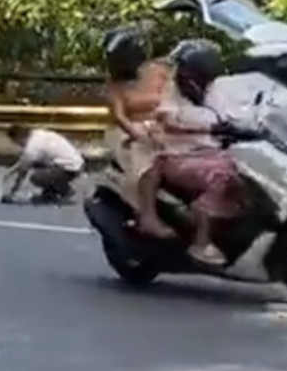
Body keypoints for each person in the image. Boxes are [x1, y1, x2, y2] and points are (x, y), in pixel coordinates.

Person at [153, 41, 247, 266]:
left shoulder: (215, 91)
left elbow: (235, 115)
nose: (186, 76)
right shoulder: (171, 92)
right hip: (178, 156)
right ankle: (201, 241)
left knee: (248, 174)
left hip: (214, 151)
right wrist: (209, 129)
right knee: (221, 175)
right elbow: (169, 124)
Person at [101, 26, 174, 238]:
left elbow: (173, 97)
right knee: (149, 166)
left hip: (169, 125)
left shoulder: (161, 70)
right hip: (132, 132)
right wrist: (137, 133)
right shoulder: (116, 85)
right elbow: (120, 116)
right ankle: (148, 217)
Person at [0, 125, 85, 204]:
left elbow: (22, 173)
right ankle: (50, 193)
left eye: (16, 142)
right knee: (37, 164)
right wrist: (10, 172)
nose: (18, 145)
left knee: (36, 177)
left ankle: (65, 190)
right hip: (75, 162)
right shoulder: (36, 134)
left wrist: (12, 193)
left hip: (70, 167)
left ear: (18, 138)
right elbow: (24, 161)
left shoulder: (32, 147)